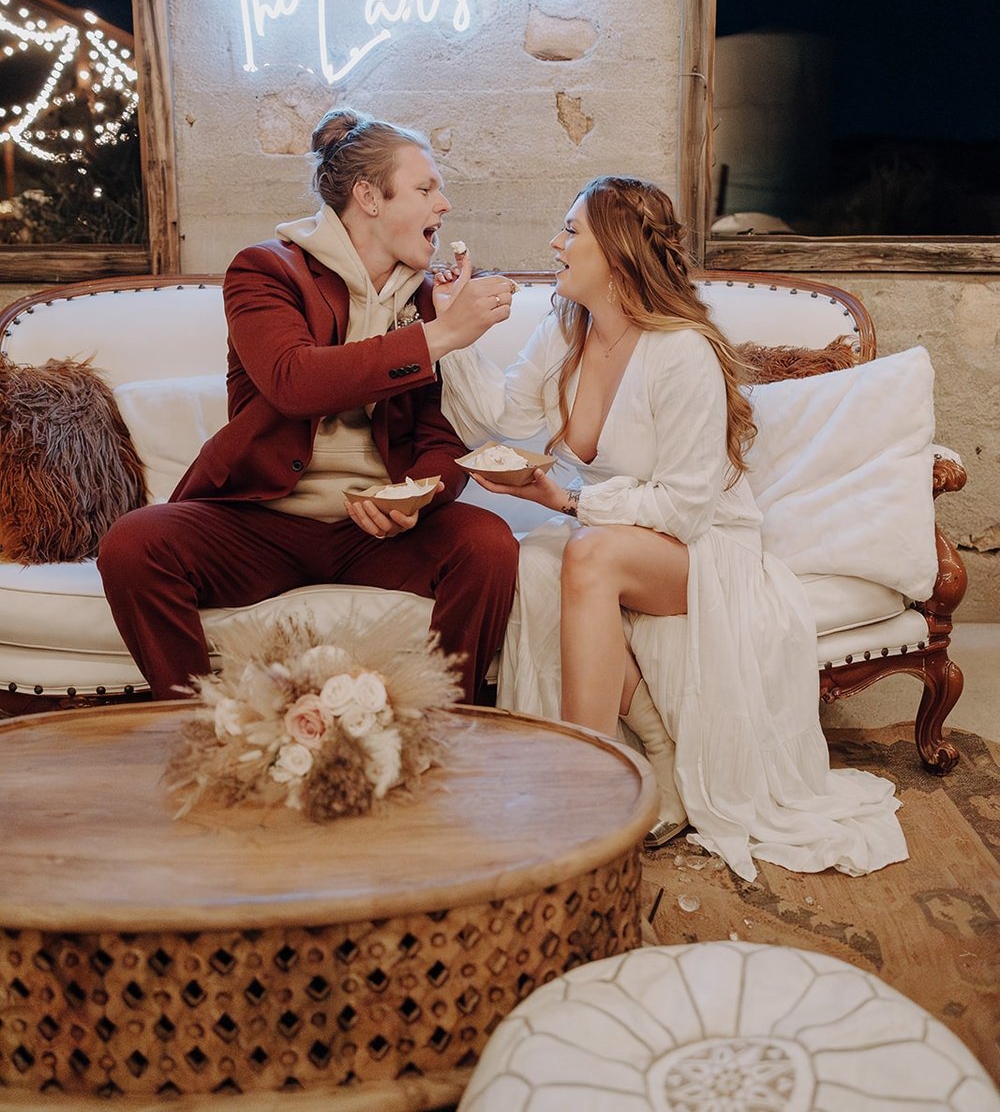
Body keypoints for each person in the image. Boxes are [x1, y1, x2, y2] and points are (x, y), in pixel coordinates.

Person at [436, 175, 909, 880]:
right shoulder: (562, 332)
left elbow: (686, 508)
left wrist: (564, 500)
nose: (555, 244)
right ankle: (655, 745)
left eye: (572, 232)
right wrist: (456, 332)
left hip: (704, 545)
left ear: (618, 256)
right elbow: (503, 428)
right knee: (532, 562)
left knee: (586, 554)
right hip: (620, 532)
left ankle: (584, 795)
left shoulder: (681, 351)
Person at [98, 110, 520, 705]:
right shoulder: (265, 270)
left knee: (489, 545)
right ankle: (194, 727)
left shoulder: (428, 297)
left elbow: (438, 433)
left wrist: (419, 494)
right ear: (369, 197)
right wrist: (443, 334)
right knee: (132, 544)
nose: (443, 204)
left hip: (375, 532)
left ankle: (448, 725)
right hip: (262, 520)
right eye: (426, 188)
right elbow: (293, 381)